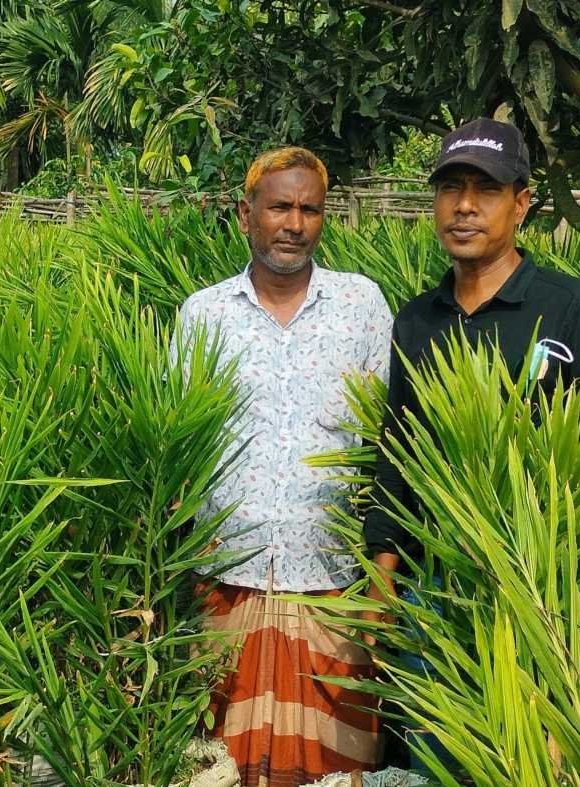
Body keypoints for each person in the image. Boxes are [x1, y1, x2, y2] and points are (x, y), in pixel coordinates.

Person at [360, 118, 580, 767]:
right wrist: (383, 572)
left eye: (485, 189)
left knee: (525, 765)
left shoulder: (569, 308)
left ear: (522, 202)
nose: (463, 206)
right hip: (435, 594)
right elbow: (398, 447)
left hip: (537, 593)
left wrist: (573, 587)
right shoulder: (417, 320)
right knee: (434, 760)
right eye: (450, 187)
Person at [175, 147, 396, 785]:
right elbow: (178, 445)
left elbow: (389, 439)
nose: (294, 223)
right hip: (226, 581)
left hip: (333, 585)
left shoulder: (361, 308)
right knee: (220, 764)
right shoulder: (204, 316)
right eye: (279, 207)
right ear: (246, 214)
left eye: (309, 209)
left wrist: (381, 578)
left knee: (336, 765)